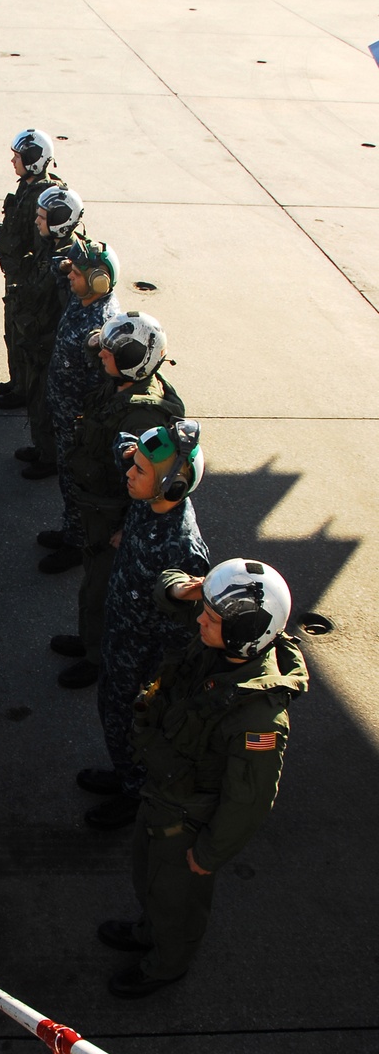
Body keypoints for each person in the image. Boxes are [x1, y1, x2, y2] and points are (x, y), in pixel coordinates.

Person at [100, 558, 308, 998]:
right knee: (148, 874)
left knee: (178, 898)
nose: (200, 620)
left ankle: (167, 963)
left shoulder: (259, 720)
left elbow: (248, 799)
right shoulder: (220, 650)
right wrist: (192, 591)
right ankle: (147, 930)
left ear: (242, 630)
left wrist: (211, 854)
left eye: (211, 617)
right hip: (163, 794)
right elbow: (168, 591)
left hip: (188, 819)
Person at [79, 420, 210, 830]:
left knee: (133, 726)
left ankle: (135, 793)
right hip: (121, 636)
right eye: (132, 467)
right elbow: (127, 441)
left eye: (138, 471)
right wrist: (130, 453)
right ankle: (122, 773)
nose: (129, 475)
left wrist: (153, 683)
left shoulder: (182, 547)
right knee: (110, 714)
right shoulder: (150, 496)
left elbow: (185, 627)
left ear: (172, 486)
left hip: (145, 658)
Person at [48, 311, 185, 689]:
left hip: (115, 517)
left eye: (112, 351)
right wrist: (101, 341)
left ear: (131, 359)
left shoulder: (144, 414)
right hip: (96, 505)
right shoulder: (123, 384)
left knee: (105, 592)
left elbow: (153, 481)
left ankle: (98, 658)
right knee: (92, 582)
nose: (102, 355)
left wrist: (130, 527)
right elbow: (97, 354)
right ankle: (88, 639)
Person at [39, 236, 121, 574]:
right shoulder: (84, 297)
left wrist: (83, 423)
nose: (68, 277)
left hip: (79, 422)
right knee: (66, 480)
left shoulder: (101, 327)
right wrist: (67, 263)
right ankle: (69, 529)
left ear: (99, 281)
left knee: (78, 484)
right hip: (63, 410)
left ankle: (77, 543)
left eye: (76, 274)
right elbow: (56, 269)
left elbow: (104, 385)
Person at [14, 185, 83, 480]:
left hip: (50, 346)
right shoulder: (50, 247)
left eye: (42, 218)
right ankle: (41, 447)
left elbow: (69, 312)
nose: (36, 221)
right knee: (35, 397)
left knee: (46, 403)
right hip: (37, 339)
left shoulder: (70, 261)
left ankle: (50, 457)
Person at [0, 129, 58, 410]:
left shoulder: (45, 195)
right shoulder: (26, 188)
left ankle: (25, 390)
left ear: (32, 159)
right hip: (17, 277)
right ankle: (16, 381)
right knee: (13, 331)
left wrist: (33, 278)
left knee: (25, 334)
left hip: (30, 281)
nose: (13, 162)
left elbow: (44, 242)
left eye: (17, 156)